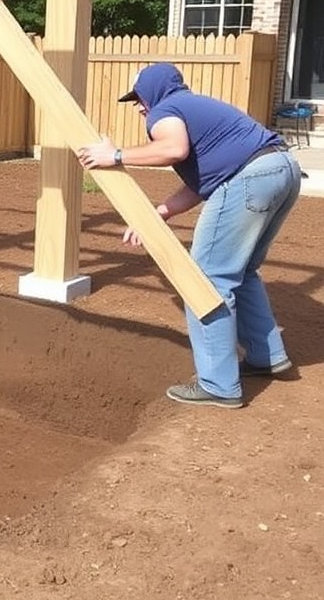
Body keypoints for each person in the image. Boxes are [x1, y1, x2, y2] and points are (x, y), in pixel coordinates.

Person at [77, 62, 302, 409]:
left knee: (206, 279)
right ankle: (266, 355)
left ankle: (218, 384)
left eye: (139, 97)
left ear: (155, 90)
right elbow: (202, 183)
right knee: (242, 272)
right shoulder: (194, 107)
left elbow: (174, 150)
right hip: (281, 169)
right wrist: (158, 214)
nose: (138, 106)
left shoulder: (165, 110)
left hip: (250, 177)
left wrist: (115, 155)